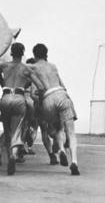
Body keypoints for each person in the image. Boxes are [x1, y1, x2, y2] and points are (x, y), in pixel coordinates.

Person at [29, 43, 80, 175]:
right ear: (46, 54)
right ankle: (74, 161)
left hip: (47, 99)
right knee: (70, 132)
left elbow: (34, 93)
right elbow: (63, 85)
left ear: (34, 55)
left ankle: (61, 150)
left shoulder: (32, 67)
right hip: (61, 94)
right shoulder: (53, 66)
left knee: (55, 129)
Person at [0, 43, 35, 175]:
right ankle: (13, 156)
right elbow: (38, 82)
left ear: (12, 53)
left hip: (5, 98)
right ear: (23, 53)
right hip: (19, 98)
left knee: (7, 130)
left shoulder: (5, 65)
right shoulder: (26, 68)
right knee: (16, 131)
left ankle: (2, 151)